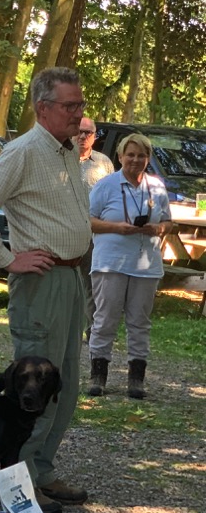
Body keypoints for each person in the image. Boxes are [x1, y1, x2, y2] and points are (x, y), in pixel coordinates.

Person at [0, 66, 92, 513]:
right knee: (34, 382)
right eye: (69, 106)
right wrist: (6, 259)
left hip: (70, 277)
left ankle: (41, 470)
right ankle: (19, 481)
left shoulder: (68, 151)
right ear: (42, 108)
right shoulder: (22, 151)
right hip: (41, 282)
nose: (78, 114)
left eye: (80, 105)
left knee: (65, 382)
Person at [88, 133, 172, 399]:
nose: (135, 160)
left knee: (140, 322)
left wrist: (159, 228)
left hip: (146, 266)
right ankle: (98, 376)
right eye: (130, 154)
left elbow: (169, 222)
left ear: (148, 158)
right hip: (111, 263)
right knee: (105, 319)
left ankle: (136, 380)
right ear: (120, 156)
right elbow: (87, 220)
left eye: (141, 155)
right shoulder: (106, 185)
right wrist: (116, 227)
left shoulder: (156, 186)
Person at [77, 117, 115, 337]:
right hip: (63, 232)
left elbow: (112, 197)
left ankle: (93, 331)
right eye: (79, 131)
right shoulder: (60, 159)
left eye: (88, 133)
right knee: (65, 283)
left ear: (95, 136)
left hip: (94, 234)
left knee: (93, 282)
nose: (83, 136)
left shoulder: (103, 163)